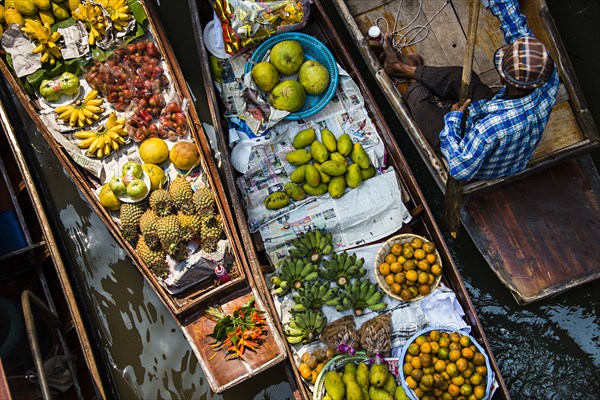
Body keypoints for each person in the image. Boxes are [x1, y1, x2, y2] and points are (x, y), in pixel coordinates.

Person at [382, 0, 559, 181]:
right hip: (498, 119)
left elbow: (459, 168)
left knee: (417, 96)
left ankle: (413, 78)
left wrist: (454, 120)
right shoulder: (547, 75)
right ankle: (403, 68)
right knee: (460, 76)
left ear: (504, 79)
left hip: (481, 162)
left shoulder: (490, 128)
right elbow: (515, 25)